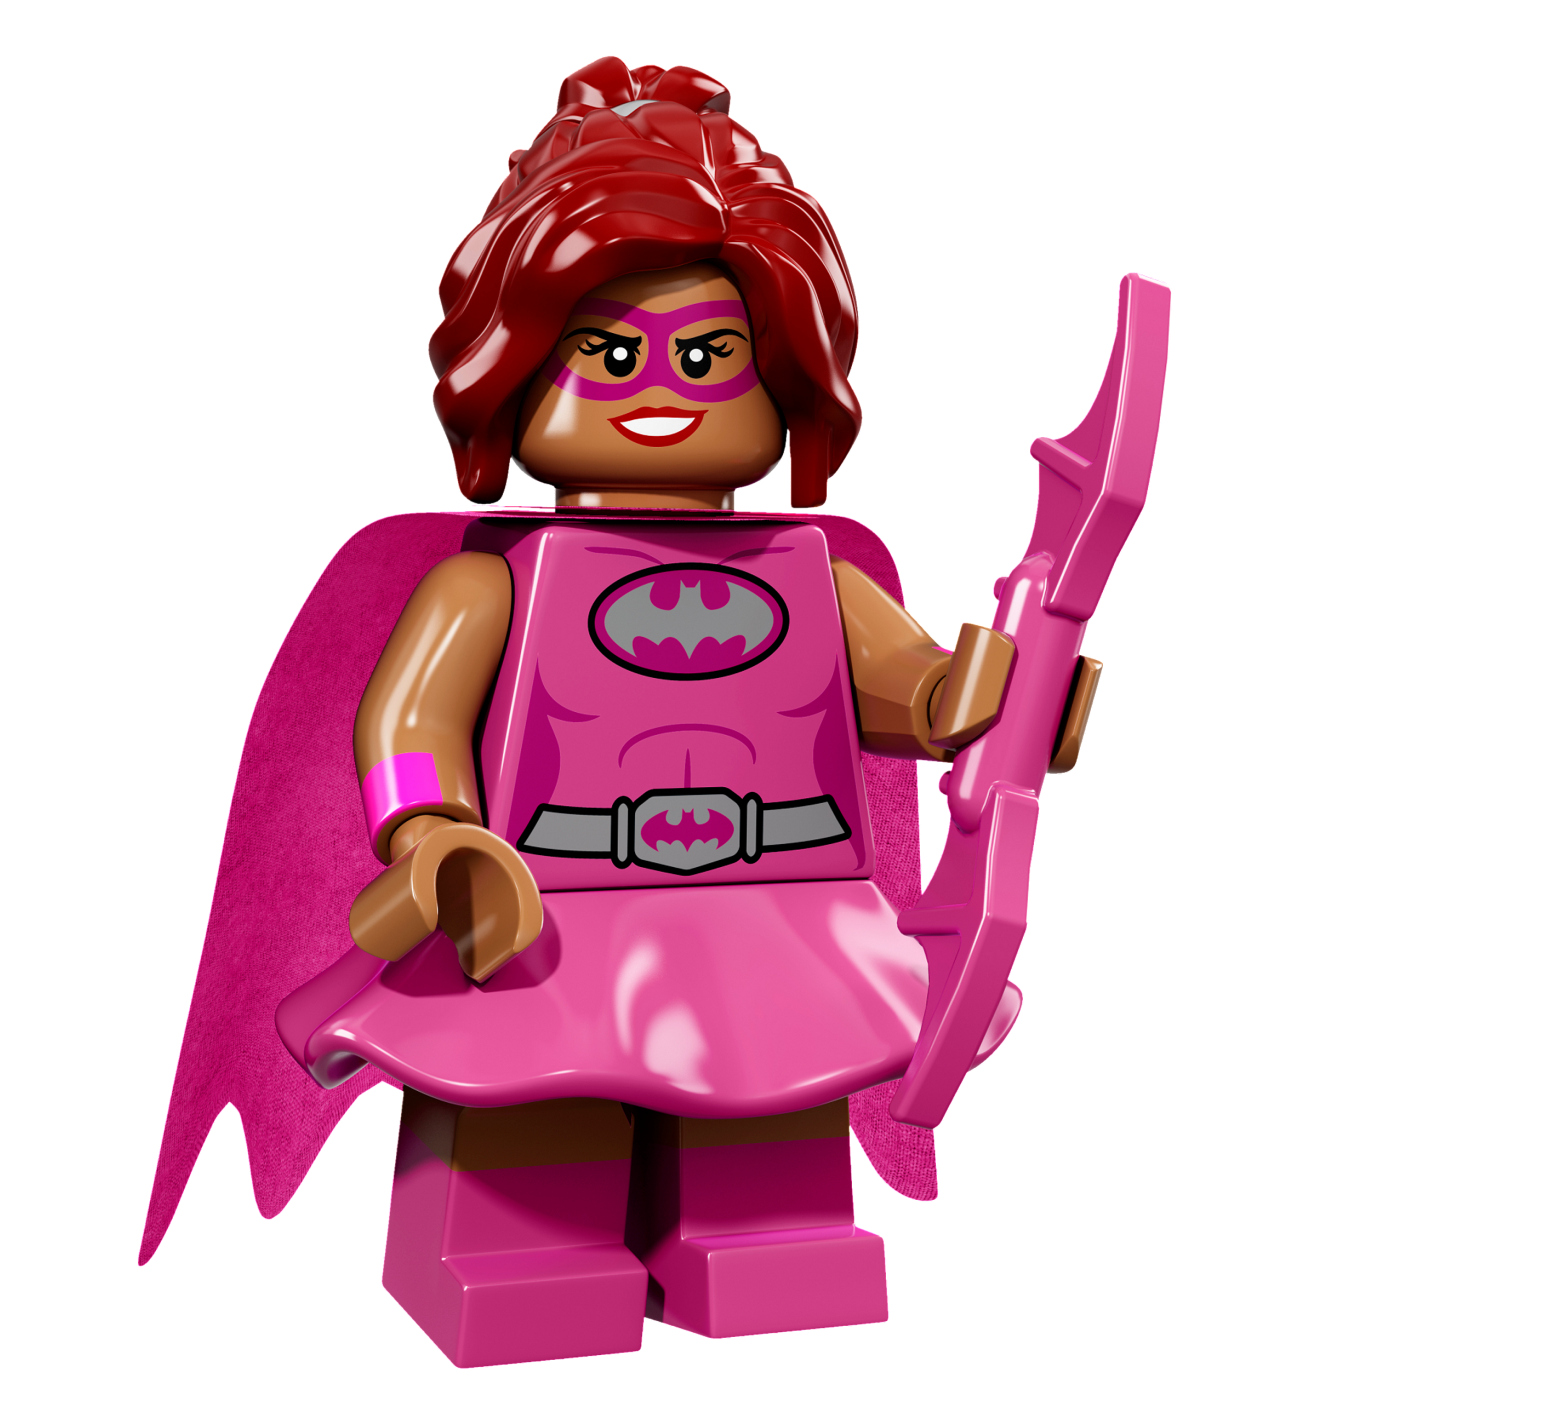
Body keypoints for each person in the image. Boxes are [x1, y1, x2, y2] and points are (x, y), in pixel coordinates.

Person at [266, 58, 1012, 1366]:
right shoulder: (492, 583)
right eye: (608, 355)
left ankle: (758, 1244)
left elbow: (909, 693)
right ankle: (513, 1257)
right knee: (537, 1094)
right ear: (517, 372)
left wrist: (996, 694)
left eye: (711, 356)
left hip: (776, 904)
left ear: (784, 376)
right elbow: (408, 726)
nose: (660, 388)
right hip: (545, 908)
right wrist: (430, 832)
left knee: (774, 1085)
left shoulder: (814, 579)